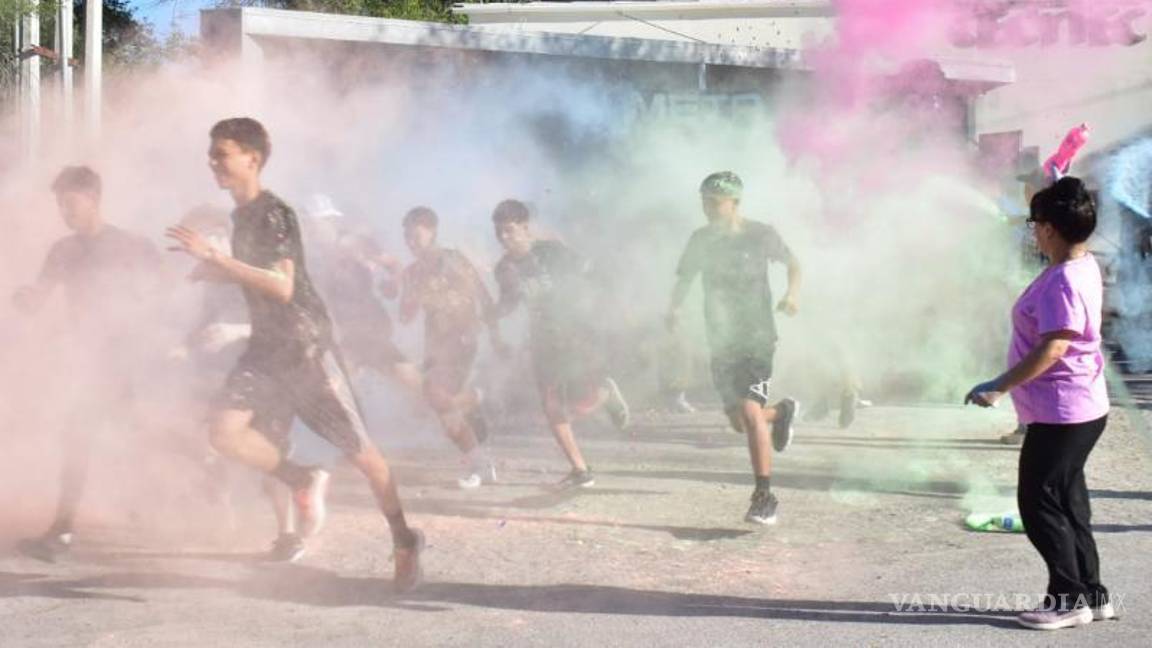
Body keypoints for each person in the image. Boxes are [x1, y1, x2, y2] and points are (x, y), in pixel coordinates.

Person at [165, 118, 422, 589]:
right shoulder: (240, 217)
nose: (212, 161)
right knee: (223, 433)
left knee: (365, 457)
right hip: (265, 349)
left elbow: (282, 287)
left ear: (252, 159)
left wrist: (217, 260)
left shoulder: (273, 212)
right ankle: (302, 478)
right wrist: (217, 274)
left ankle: (404, 539)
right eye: (212, 153)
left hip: (304, 347)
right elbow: (258, 276)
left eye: (221, 153)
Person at [965, 177, 1113, 630]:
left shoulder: (1063, 280)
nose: (1031, 232)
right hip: (1080, 407)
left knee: (1038, 502)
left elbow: (1054, 347)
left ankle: (1067, 600)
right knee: (1069, 502)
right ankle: (1092, 594)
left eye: (1035, 224)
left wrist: (999, 385)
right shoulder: (1080, 264)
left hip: (1062, 412)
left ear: (1048, 229)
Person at [14, 166, 160, 561]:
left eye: (70, 202)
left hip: (129, 357)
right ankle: (63, 528)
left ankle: (195, 490)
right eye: (60, 204)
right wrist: (25, 300)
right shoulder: (62, 250)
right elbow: (40, 298)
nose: (64, 211)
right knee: (79, 437)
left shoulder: (131, 246)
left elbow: (158, 300)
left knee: (135, 433)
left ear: (93, 199)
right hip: (90, 358)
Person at [666, 171, 801, 525]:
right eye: (704, 201)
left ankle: (764, 495)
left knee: (750, 412)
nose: (708, 208)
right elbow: (684, 279)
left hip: (757, 337)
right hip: (720, 338)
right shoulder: (700, 240)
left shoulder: (760, 234)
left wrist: (792, 294)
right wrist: (674, 308)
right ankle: (782, 412)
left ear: (735, 203)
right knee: (741, 422)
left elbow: (794, 264)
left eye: (715, 202)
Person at [491, 199, 630, 489]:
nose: (504, 238)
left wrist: (610, 305)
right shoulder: (503, 268)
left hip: (575, 332)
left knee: (579, 400)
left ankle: (605, 392)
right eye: (499, 233)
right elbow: (508, 302)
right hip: (542, 339)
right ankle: (580, 470)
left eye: (510, 231)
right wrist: (492, 315)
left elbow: (592, 274)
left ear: (525, 228)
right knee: (551, 405)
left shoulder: (551, 252)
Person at [398, 207, 499, 488]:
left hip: (461, 340)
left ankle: (478, 459)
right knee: (440, 408)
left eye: (415, 235)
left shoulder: (452, 260)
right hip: (435, 347)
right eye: (406, 236)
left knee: (437, 397)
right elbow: (405, 317)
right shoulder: (412, 272)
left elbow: (483, 296)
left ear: (432, 232)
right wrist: (405, 296)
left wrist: (496, 336)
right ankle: (474, 412)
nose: (410, 241)